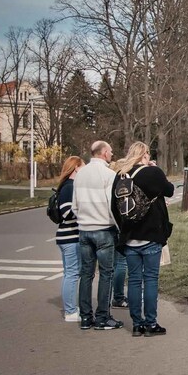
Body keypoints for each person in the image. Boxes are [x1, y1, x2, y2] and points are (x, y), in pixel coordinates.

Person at [111, 141, 175, 337]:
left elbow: (115, 206)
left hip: (130, 237)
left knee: (134, 280)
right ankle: (151, 323)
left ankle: (136, 324)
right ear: (145, 154)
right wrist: (156, 169)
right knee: (151, 280)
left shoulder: (121, 176)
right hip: (151, 235)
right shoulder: (152, 173)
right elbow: (170, 190)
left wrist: (123, 228)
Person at [73, 140, 122, 331]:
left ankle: (86, 317)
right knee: (105, 274)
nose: (112, 154)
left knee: (86, 273)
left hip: (84, 229)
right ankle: (103, 316)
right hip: (103, 229)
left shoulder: (80, 174)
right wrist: (117, 227)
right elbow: (113, 206)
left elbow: (74, 205)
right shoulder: (109, 175)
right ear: (102, 153)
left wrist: (84, 219)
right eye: (110, 151)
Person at [55, 155, 84, 322]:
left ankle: (71, 307)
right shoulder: (69, 187)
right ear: (76, 168)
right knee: (72, 273)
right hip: (70, 236)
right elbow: (67, 212)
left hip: (68, 236)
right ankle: (71, 311)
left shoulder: (68, 186)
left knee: (70, 273)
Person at [107, 157, 129, 310]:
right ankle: (118, 296)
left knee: (113, 264)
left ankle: (112, 295)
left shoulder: (109, 183)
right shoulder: (121, 185)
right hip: (120, 226)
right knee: (121, 263)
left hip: (109, 225)